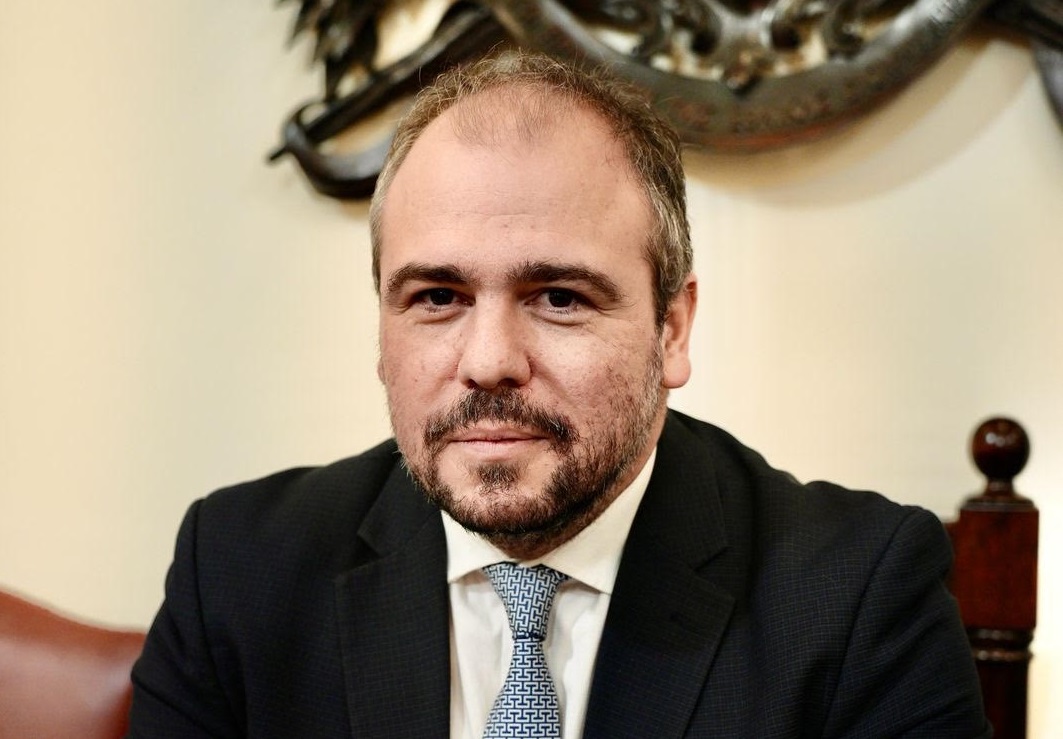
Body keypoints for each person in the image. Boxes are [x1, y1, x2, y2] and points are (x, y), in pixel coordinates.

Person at [128, 51, 989, 738]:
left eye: (560, 298)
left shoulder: (856, 597)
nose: (489, 361)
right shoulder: (238, 572)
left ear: (672, 327)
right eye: (437, 297)